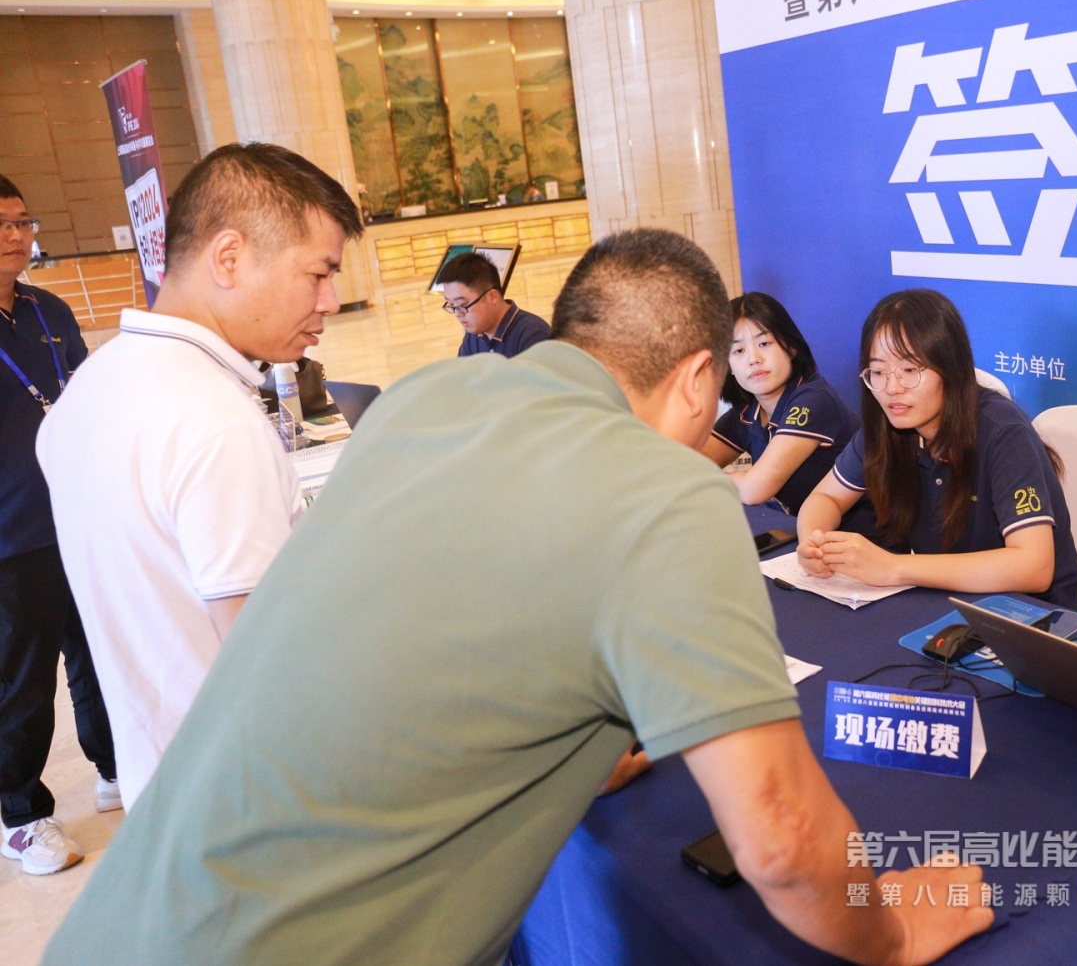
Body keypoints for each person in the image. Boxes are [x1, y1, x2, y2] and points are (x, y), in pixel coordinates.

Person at [43, 229, 989, 966]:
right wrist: (894, 930)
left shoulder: (420, 404)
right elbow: (781, 840)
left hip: (123, 924)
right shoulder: (667, 492)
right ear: (702, 378)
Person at [36, 143, 364, 810]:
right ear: (229, 258)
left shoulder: (90, 388)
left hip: (162, 787)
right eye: (318, 274)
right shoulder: (214, 421)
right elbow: (271, 665)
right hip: (249, 803)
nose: (330, 301)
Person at [797, 289, 1077, 610]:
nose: (892, 388)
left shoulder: (1002, 432)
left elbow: (1034, 567)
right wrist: (812, 543)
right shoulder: (887, 426)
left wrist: (893, 567)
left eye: (910, 370)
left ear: (951, 368)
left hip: (1035, 616)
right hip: (949, 603)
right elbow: (826, 497)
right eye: (878, 372)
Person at [0, 174, 118, 876]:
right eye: (1, 224)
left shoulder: (48, 308)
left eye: (22, 221)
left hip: (77, 514)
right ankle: (20, 814)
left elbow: (84, 394)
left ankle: (115, 765)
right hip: (11, 536)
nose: (16, 235)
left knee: (97, 650)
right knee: (21, 679)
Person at [699, 291, 859, 514]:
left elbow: (755, 489)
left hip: (857, 531)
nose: (753, 359)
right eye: (738, 350)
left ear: (791, 347)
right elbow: (688, 463)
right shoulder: (747, 411)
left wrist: (700, 480)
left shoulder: (813, 400)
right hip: (803, 530)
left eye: (764, 343)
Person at [438, 252, 550, 358]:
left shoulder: (533, 335)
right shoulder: (473, 336)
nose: (458, 314)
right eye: (451, 305)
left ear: (492, 296)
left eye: (462, 304)